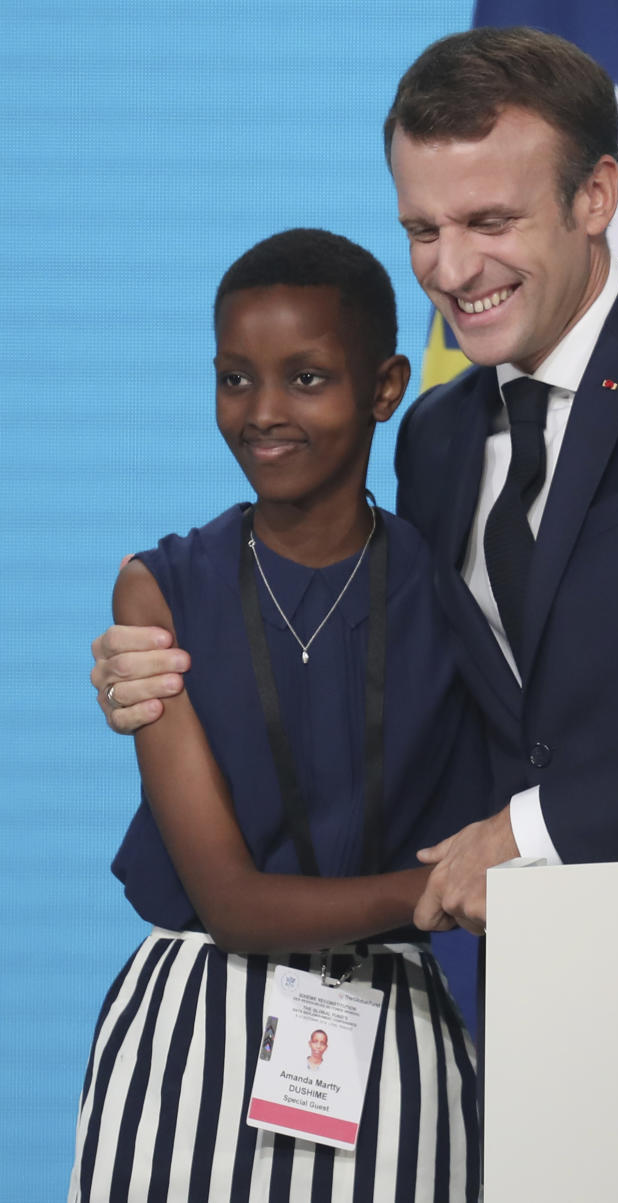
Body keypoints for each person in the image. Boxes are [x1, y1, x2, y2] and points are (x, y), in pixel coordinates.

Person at [89, 28, 618, 940]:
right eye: (422, 230)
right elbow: (428, 708)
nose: (452, 270)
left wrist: (535, 827)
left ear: (594, 196)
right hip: (505, 991)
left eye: (489, 222)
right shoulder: (435, 435)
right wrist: (173, 671)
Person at [71, 229, 483, 1202]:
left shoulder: (455, 589)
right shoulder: (159, 589)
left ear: (385, 387)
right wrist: (448, 890)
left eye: (306, 379)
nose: (262, 414)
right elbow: (234, 905)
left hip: (402, 1034)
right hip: (189, 1030)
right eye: (233, 379)